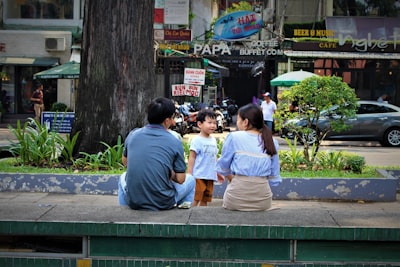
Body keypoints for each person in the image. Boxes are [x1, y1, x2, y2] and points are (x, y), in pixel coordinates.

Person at [118, 97, 195, 211]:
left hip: (134, 201)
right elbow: (181, 179)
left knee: (122, 177)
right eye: (172, 118)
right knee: (191, 180)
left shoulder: (133, 134)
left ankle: (124, 211)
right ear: (166, 120)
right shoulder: (174, 140)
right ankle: (182, 216)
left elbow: (125, 162)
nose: (174, 122)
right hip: (163, 202)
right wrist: (170, 173)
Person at [216, 103, 281, 211]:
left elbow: (223, 167)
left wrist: (234, 178)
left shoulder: (234, 137)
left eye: (238, 119)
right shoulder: (271, 141)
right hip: (263, 201)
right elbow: (274, 177)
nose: (237, 122)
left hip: (235, 199)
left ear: (245, 122)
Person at [187, 109, 224, 207]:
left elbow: (214, 157)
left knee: (205, 198)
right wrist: (190, 174)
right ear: (200, 124)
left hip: (210, 175)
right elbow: (192, 157)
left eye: (215, 123)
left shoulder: (213, 140)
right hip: (199, 175)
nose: (213, 125)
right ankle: (190, 215)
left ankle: (201, 217)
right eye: (209, 123)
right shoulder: (197, 140)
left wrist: (218, 172)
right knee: (196, 197)